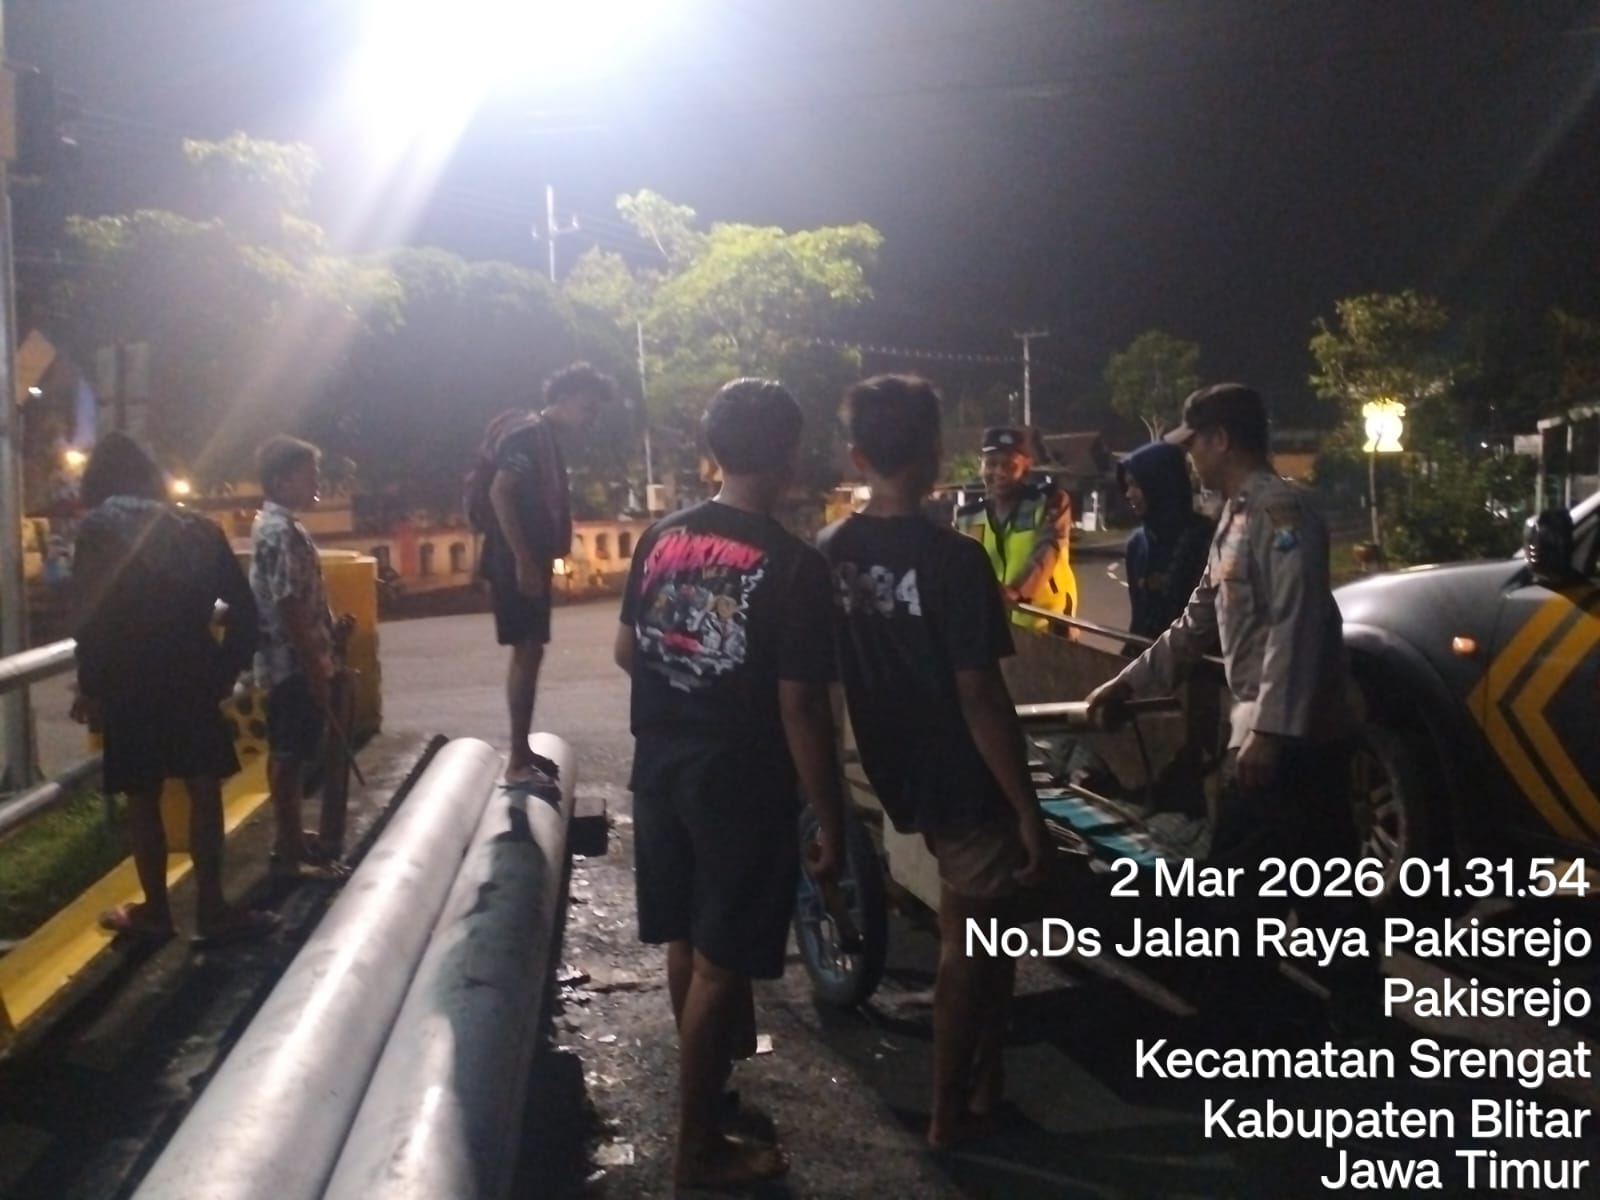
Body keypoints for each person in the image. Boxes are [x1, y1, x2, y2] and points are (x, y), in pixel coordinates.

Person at [614, 378, 845, 1189]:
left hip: (658, 766)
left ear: (713, 450)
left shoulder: (660, 536)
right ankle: (697, 1150)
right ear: (790, 454)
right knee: (721, 965)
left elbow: (626, 651)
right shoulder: (795, 566)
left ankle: (706, 1109)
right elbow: (801, 706)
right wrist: (831, 815)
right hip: (738, 782)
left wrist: (684, 686)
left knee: (688, 943)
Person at [1086, 383, 1376, 1024]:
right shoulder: (1235, 517)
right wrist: (1128, 682)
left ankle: (1246, 1023)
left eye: (1194, 444)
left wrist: (1267, 733)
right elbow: (1197, 621)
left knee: (1241, 890)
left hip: (1296, 739)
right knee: (1321, 887)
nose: (1190, 458)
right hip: (1287, 735)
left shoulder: (1281, 514)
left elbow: (1297, 624)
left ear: (1221, 439)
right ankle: (1345, 1017)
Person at [818, 375, 1050, 1149]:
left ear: (858, 455)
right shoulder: (955, 561)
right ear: (935, 453)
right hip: (961, 773)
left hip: (895, 766)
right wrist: (1026, 807)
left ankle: (986, 1083)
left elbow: (824, 683)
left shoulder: (831, 553)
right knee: (970, 944)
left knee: (987, 931)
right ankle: (948, 1115)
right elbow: (980, 695)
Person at [72, 432, 275, 944]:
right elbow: (245, 611)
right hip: (193, 677)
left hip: (130, 682)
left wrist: (92, 686)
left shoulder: (99, 529)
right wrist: (223, 669)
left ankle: (157, 913)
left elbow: (92, 616)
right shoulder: (199, 529)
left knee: (143, 797)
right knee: (204, 789)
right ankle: (212, 908)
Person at [478, 362, 616, 787]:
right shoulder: (529, 436)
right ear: (566, 396)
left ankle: (522, 750)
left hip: (528, 558)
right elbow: (500, 492)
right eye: (588, 408)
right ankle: (517, 761)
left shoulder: (544, 438)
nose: (591, 418)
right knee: (526, 650)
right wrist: (522, 559)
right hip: (515, 560)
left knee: (532, 650)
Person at [250, 435, 345, 881]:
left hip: (285, 663)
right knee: (290, 757)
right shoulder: (282, 532)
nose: (317, 483)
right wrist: (313, 668)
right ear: (281, 480)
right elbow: (288, 604)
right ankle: (289, 853)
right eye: (310, 475)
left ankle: (288, 837)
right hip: (292, 665)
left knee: (286, 753)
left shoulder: (274, 526)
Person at [953, 426, 1077, 633]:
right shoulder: (968, 516)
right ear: (981, 466)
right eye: (991, 464)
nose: (999, 472)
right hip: (993, 628)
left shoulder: (1050, 501)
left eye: (1008, 465)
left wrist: (1016, 591)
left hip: (1048, 626)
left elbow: (1048, 548)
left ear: (1026, 467)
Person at [1116, 440, 1215, 642]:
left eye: (1136, 485)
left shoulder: (1206, 538)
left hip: (1197, 656)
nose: (1128, 494)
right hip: (1147, 655)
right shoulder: (1137, 544)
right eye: (1127, 486)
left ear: (1159, 484)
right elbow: (1138, 618)